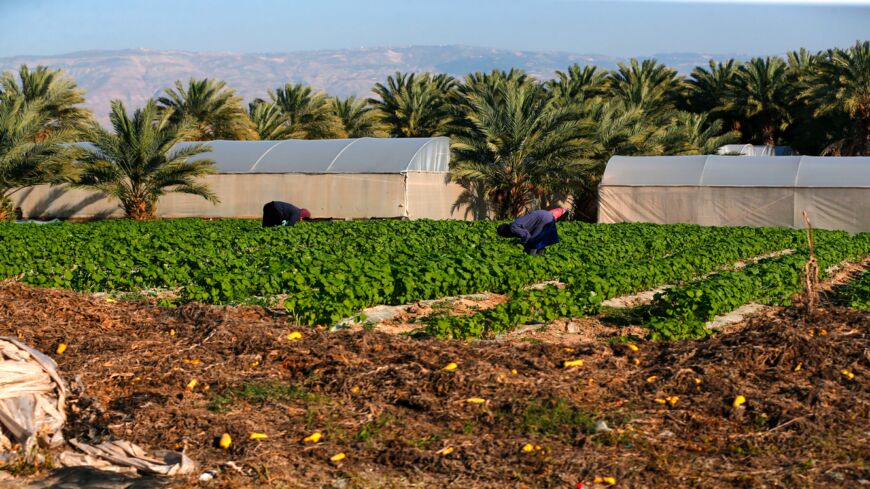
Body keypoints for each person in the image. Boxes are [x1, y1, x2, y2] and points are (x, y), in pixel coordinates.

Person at [497, 208, 565, 255]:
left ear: (505, 233)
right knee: (541, 240)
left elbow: (527, 235)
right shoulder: (514, 225)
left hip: (543, 218)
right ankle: (540, 258)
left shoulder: (513, 228)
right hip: (548, 216)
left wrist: (522, 244)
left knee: (533, 240)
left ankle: (532, 258)